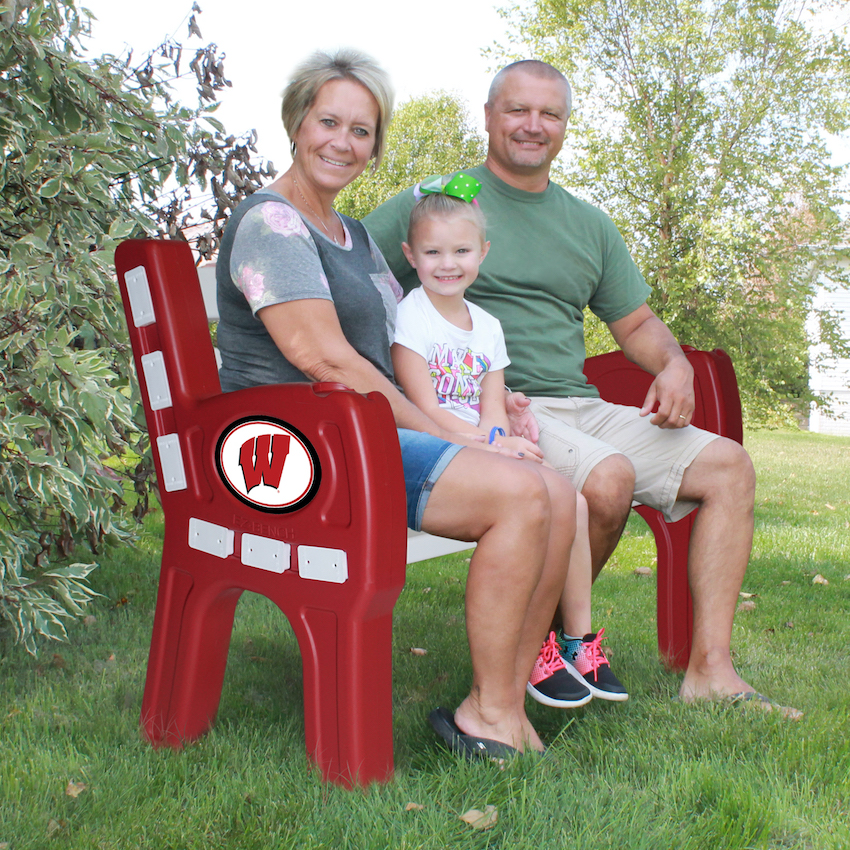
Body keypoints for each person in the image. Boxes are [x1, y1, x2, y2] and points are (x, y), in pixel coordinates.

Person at [364, 59, 801, 718]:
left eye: (550, 114)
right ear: (489, 117)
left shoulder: (587, 223)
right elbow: (352, 270)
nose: (533, 126)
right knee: (607, 480)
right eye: (517, 110)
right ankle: (550, 646)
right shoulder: (442, 203)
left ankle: (710, 670)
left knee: (729, 468)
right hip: (499, 408)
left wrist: (674, 364)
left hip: (583, 402)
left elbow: (637, 323)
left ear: (566, 127)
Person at [215, 48, 588, 759]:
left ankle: (499, 704)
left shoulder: (352, 236)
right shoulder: (272, 223)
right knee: (520, 495)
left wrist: (492, 404)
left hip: (360, 432)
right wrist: (461, 439)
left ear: (375, 147)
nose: (343, 142)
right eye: (329, 121)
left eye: (362, 131)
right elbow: (324, 358)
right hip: (296, 448)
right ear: (297, 123)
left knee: (557, 490)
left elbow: (406, 349)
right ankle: (494, 711)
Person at [391, 178, 627, 706]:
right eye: (432, 251)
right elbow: (423, 406)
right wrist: (491, 446)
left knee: (573, 499)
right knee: (537, 496)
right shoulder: (412, 315)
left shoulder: (488, 327)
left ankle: (575, 641)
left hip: (482, 444)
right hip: (438, 445)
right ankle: (531, 648)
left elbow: (492, 404)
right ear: (410, 255)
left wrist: (502, 438)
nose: (447, 263)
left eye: (461, 250)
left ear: (483, 253)